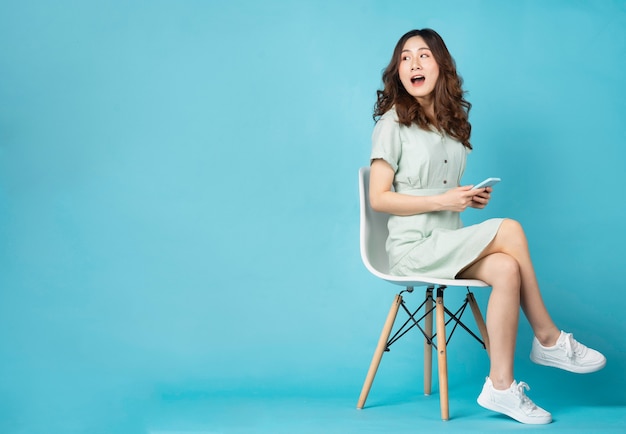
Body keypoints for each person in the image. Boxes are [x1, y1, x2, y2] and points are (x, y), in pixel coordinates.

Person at [369, 28, 606, 425]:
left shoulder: (451, 125)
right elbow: (379, 198)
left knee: (507, 268)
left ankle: (500, 387)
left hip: (446, 242)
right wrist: (443, 200)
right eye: (405, 57)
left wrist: (466, 196)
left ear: (441, 65)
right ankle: (548, 338)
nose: (413, 63)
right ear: (398, 71)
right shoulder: (392, 124)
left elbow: (439, 189)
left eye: (423, 55)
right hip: (413, 248)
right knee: (510, 229)